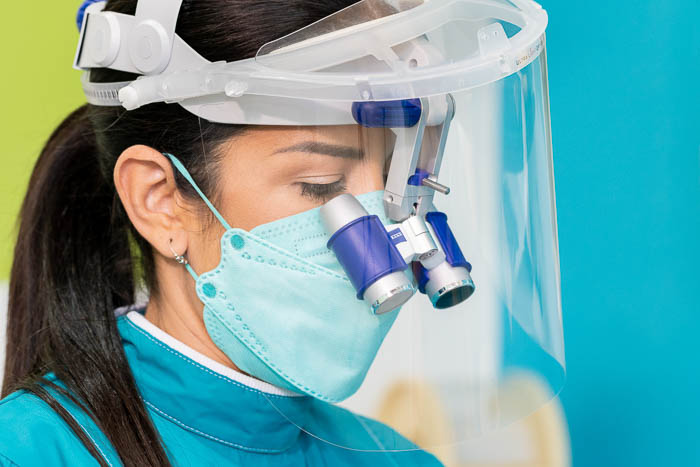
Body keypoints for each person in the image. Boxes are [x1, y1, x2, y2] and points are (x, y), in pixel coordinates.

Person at [0, 0, 566, 465]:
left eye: (395, 180)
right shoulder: (34, 449)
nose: (381, 240)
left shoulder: (396, 459)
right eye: (320, 186)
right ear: (161, 202)